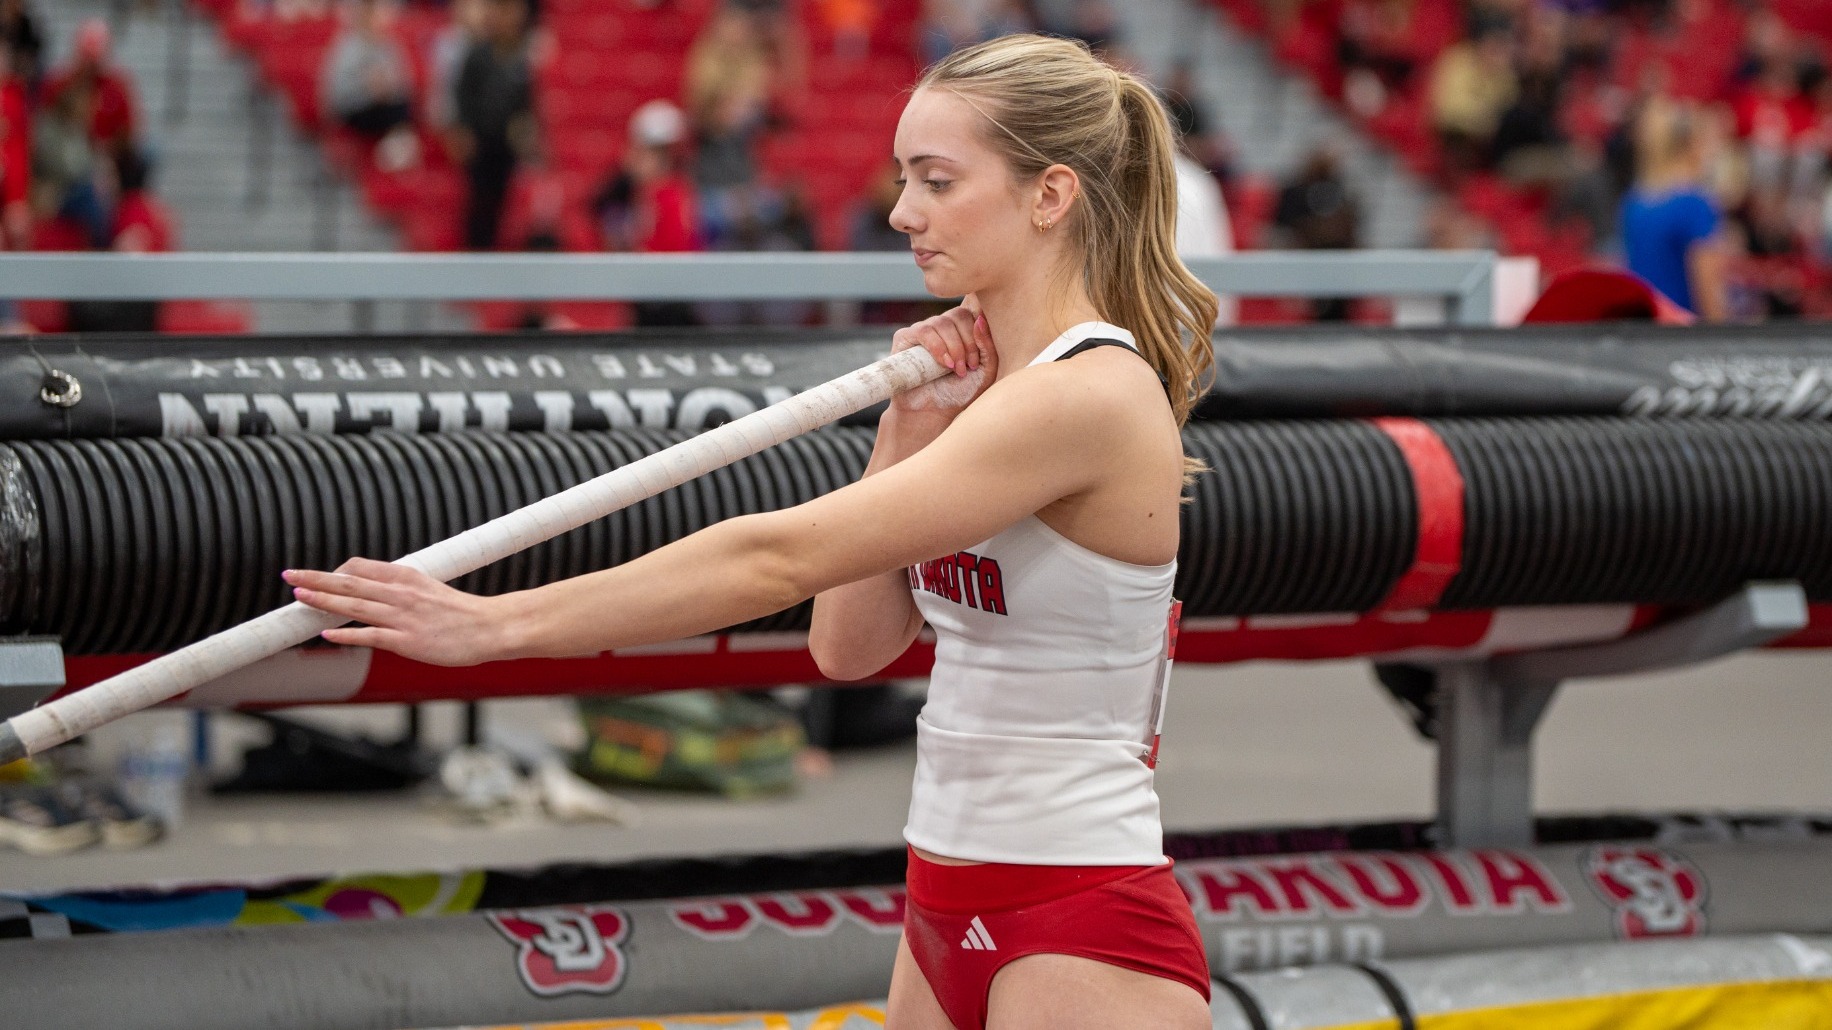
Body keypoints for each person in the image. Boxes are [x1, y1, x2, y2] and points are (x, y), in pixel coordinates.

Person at [287, 34, 1216, 1030]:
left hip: (1075, 914)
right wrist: (910, 419)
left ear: (1050, 196)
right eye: (904, 179)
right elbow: (847, 644)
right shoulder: (987, 398)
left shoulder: (1085, 396)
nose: (901, 212)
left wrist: (497, 625)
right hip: (944, 898)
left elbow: (777, 555)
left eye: (938, 181)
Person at [1618, 99, 1728, 321]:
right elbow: (1707, 289)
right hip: (1682, 330)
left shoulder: (1634, 202)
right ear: (1691, 145)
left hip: (1645, 325)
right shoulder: (1695, 204)